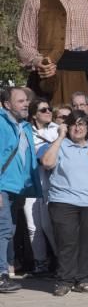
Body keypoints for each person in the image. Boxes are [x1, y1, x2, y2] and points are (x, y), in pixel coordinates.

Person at [39, 111, 88, 296]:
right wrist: (60, 137)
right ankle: (64, 280)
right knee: (67, 242)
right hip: (64, 202)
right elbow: (47, 163)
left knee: (86, 243)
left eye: (82, 124)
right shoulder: (59, 146)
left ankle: (82, 278)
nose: (78, 128)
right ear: (67, 126)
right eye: (73, 124)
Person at [0, 87, 41, 293]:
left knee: (10, 230)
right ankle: (1, 275)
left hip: (19, 187)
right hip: (3, 186)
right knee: (3, 228)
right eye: (20, 101)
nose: (26, 104)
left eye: (26, 100)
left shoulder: (24, 126)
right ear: (7, 104)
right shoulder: (1, 124)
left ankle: (5, 269)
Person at [24, 98, 58, 276]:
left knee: (48, 225)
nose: (48, 112)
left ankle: (61, 261)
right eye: (43, 110)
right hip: (30, 183)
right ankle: (40, 263)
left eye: (49, 109)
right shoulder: (26, 131)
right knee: (32, 226)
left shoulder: (57, 129)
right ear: (34, 114)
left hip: (51, 185)